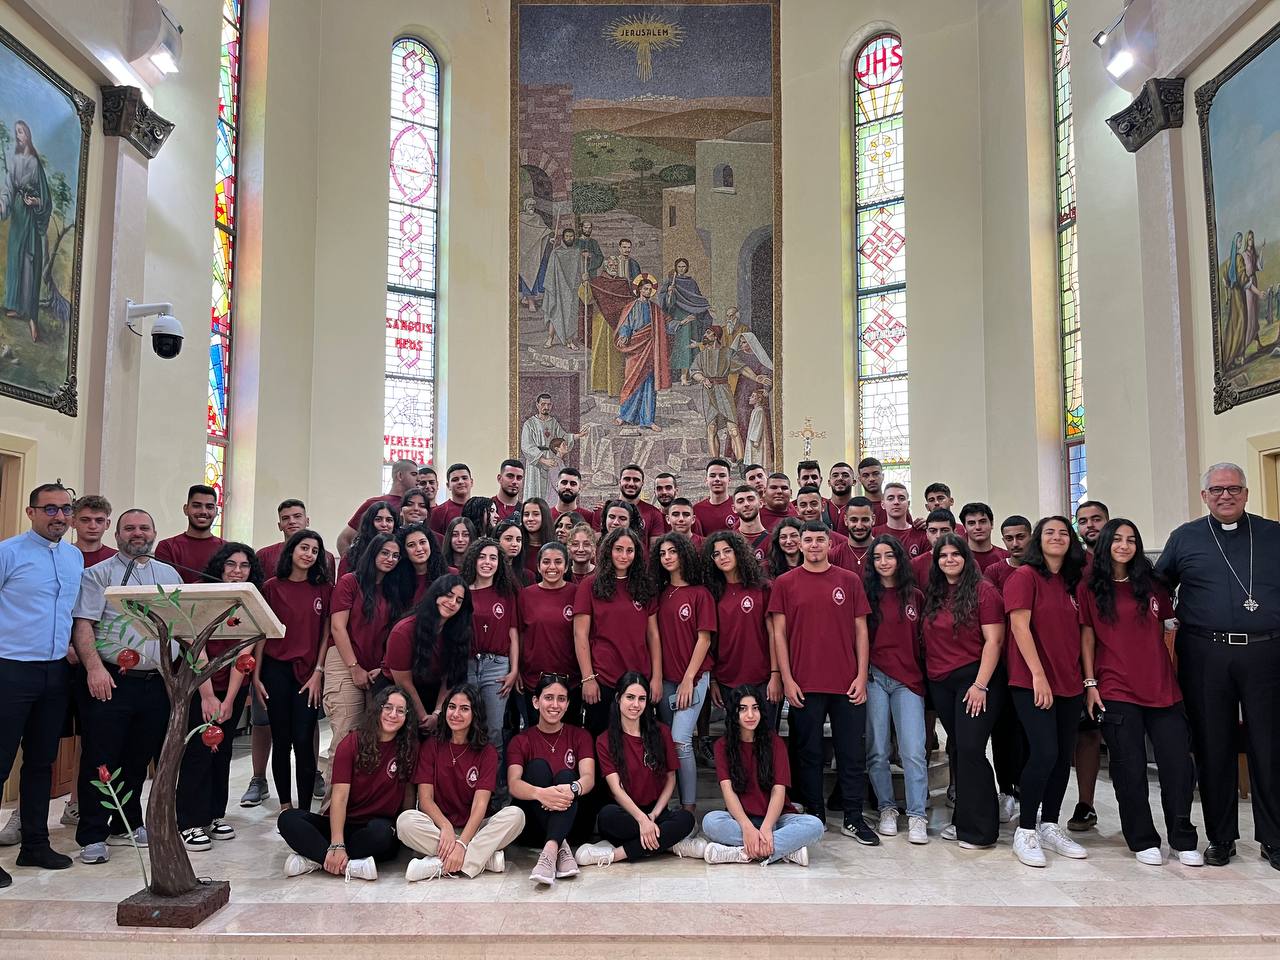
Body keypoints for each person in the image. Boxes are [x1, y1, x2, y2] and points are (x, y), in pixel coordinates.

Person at [1156, 463, 1280, 870]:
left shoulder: (1273, 534)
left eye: (1233, 489)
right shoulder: (1185, 537)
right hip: (1205, 653)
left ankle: (1274, 838)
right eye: (1216, 490)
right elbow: (1158, 588)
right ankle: (1221, 836)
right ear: (1205, 496)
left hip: (1266, 652)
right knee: (1213, 746)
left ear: (1246, 494)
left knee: (1270, 745)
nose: (1225, 496)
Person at [1080, 519, 1203, 867]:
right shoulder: (1090, 587)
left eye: (1131, 539)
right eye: (1117, 539)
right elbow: (1087, 637)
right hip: (1116, 688)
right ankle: (1143, 838)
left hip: (1162, 688)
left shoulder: (1153, 585)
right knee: (1128, 768)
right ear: (1105, 544)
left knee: (1178, 766)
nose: (1124, 545)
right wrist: (1090, 683)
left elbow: (1168, 631)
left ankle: (1181, 838)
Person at [71, 508, 182, 864]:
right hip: (111, 679)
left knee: (138, 757)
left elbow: (178, 623)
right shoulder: (97, 574)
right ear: (116, 534)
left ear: (154, 532)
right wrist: (93, 669)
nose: (137, 533)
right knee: (101, 757)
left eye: (144, 528)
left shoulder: (168, 573)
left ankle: (125, 821)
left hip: (155, 681)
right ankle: (91, 833)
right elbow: (84, 625)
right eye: (129, 528)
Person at [770, 521, 878, 844]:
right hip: (804, 682)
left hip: (847, 683)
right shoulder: (785, 583)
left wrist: (861, 675)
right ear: (799, 545)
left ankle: (853, 817)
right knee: (809, 752)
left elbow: (861, 630)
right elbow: (779, 634)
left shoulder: (849, 580)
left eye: (820, 539)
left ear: (830, 544)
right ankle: (815, 813)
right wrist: (787, 679)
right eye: (808, 540)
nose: (814, 545)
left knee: (851, 753)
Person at [0, 484, 82, 885]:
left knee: (40, 762)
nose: (60, 517)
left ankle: (34, 844)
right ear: (31, 512)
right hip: (10, 668)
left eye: (66, 509)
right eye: (50, 509)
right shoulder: (8, 552)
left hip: (54, 672)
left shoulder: (73, 556)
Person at [1005, 516, 1089, 867]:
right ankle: (1025, 831)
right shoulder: (1025, 577)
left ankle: (1050, 825)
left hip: (1069, 680)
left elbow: (1084, 632)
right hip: (1032, 680)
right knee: (1043, 752)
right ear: (1038, 540)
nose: (1057, 537)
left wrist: (1087, 680)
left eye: (1063, 533)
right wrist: (1038, 675)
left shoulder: (1074, 582)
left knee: (1061, 757)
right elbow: (1019, 627)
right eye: (1050, 532)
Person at [920, 534, 1006, 849]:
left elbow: (994, 641)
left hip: (975, 680)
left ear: (966, 558)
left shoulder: (984, 591)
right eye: (943, 556)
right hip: (941, 681)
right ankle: (963, 821)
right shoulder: (936, 592)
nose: (950, 560)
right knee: (958, 748)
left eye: (956, 554)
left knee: (971, 749)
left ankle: (982, 831)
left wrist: (981, 685)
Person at [176, 543, 264, 850]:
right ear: (219, 566)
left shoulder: (251, 598)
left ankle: (213, 814)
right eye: (231, 564)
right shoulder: (200, 593)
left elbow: (245, 652)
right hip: (198, 684)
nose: (237, 570)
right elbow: (194, 645)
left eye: (244, 565)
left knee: (221, 749)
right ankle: (188, 821)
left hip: (231, 686)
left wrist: (228, 701)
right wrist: (209, 696)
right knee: (198, 751)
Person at [279, 686, 414, 880]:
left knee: (383, 836)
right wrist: (337, 843)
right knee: (288, 819)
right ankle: (346, 864)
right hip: (342, 824)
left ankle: (316, 860)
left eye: (400, 711)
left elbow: (408, 796)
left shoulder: (409, 747)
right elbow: (339, 797)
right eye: (388, 707)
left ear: (407, 716)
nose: (393, 714)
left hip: (375, 827)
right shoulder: (351, 742)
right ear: (378, 709)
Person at [398, 683, 525, 880]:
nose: (456, 714)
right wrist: (446, 827)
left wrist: (463, 843)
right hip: (439, 829)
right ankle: (481, 859)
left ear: (475, 714)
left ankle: (441, 863)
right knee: (405, 822)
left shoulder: (487, 752)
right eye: (452, 707)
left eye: (464, 709)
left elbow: (480, 804)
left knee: (516, 816)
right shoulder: (431, 746)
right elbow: (425, 799)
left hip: (475, 829)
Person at [576, 673, 700, 866]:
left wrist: (653, 816)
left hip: (656, 812)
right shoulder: (604, 739)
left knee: (686, 819)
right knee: (607, 818)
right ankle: (667, 844)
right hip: (627, 812)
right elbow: (616, 790)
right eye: (630, 697)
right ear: (618, 699)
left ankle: (616, 855)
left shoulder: (661, 732)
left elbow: (671, 779)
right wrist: (642, 819)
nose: (636, 704)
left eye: (641, 699)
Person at [253, 530, 333, 813]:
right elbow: (262, 634)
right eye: (304, 548)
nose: (309, 554)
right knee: (282, 739)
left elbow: (326, 632)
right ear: (291, 551)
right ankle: (286, 807)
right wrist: (256, 676)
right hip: (276, 671)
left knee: (304, 739)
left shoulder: (323, 589)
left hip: (308, 673)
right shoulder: (272, 587)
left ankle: (304, 810)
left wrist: (318, 672)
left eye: (314, 550)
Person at [703, 685, 824, 865]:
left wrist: (766, 827)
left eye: (755, 708)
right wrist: (746, 827)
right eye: (743, 709)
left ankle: (741, 853)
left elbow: (778, 791)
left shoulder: (775, 742)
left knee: (815, 826)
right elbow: (728, 792)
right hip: (741, 818)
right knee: (710, 822)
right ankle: (783, 851)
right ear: (733, 714)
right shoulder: (722, 746)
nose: (750, 715)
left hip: (776, 817)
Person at [322, 533, 401, 808]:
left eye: (395, 555)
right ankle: (330, 812)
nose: (390, 559)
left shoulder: (392, 589)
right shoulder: (350, 582)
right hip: (345, 662)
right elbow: (337, 627)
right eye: (385, 553)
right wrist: (354, 667)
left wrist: (382, 668)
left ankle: (360, 809)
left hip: (377, 669)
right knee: (346, 738)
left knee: (374, 739)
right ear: (372, 553)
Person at [864, 535, 929, 844]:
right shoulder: (866, 595)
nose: (884, 562)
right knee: (877, 749)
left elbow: (924, 641)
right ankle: (887, 808)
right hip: (875, 678)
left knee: (913, 750)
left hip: (908, 682)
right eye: (878, 558)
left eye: (889, 556)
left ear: (899, 559)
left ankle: (917, 814)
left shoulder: (914, 596)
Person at [507, 675, 596, 885]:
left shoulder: (580, 736)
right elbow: (513, 784)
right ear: (536, 702)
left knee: (567, 776)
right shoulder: (521, 741)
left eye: (561, 699)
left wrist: (573, 789)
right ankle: (559, 847)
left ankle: (550, 851)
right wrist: (541, 794)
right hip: (533, 827)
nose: (555, 705)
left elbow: (589, 778)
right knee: (537, 767)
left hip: (574, 824)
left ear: (567, 705)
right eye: (548, 698)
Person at [574, 527, 661, 736]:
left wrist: (657, 677)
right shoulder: (590, 586)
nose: (624, 555)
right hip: (603, 677)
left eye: (629, 550)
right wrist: (588, 678)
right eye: (618, 549)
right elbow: (580, 635)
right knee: (601, 739)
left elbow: (653, 635)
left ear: (637, 554)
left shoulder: (645, 586)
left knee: (638, 740)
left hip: (639, 679)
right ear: (608, 551)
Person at [650, 534, 714, 812]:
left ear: (684, 554)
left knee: (681, 741)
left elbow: (705, 640)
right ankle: (669, 804)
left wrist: (689, 679)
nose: (667, 557)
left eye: (672, 552)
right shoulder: (661, 595)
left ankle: (688, 808)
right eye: (662, 553)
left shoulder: (700, 593)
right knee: (669, 743)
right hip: (666, 680)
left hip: (695, 678)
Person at [460, 538, 520, 801]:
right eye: (482, 557)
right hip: (468, 664)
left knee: (494, 730)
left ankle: (496, 796)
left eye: (493, 558)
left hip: (498, 666)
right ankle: (466, 792)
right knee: (465, 728)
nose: (487, 562)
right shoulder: (461, 591)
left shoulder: (506, 593)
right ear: (474, 559)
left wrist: (514, 669)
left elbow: (513, 632)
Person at [705, 532, 779, 726]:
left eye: (727, 551)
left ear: (739, 552)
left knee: (766, 737)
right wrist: (713, 680)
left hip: (762, 677)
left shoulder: (763, 587)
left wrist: (775, 674)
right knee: (736, 739)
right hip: (727, 678)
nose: (722, 557)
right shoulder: (712, 592)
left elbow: (774, 634)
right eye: (716, 554)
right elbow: (710, 640)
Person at [1068, 499, 1110, 832]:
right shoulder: (1073, 563)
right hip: (1081, 657)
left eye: (1096, 519)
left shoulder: (1125, 557)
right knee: (1087, 731)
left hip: (1119, 659)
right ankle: (1085, 804)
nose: (1090, 526)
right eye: (1083, 521)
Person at [384, 575, 471, 730]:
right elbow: (404, 683)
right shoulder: (403, 631)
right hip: (396, 691)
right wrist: (424, 718)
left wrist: (437, 714)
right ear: (435, 595)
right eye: (449, 595)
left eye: (459, 601)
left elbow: (450, 678)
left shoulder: (457, 632)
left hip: (434, 691)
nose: (452, 603)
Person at [0, 120, 51, 341]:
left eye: (21, 131)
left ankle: (31, 316)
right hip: (18, 217)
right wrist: (2, 205)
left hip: (30, 217)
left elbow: (46, 200)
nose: (18, 135)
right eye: (16, 132)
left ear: (28, 134)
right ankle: (15, 306)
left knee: (30, 263)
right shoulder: (13, 161)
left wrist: (35, 202)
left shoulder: (36, 164)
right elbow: (7, 190)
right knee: (15, 258)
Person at [518, 542, 580, 721]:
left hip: (570, 681)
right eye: (546, 562)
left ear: (567, 566)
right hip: (534, 680)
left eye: (558, 562)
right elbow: (520, 634)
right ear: (538, 566)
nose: (552, 567)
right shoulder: (526, 595)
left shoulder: (577, 593)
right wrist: (518, 670)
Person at [690, 325, 771, 459]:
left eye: (708, 333)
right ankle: (715, 462)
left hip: (723, 390)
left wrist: (756, 377)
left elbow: (742, 368)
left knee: (733, 429)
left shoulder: (728, 353)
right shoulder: (701, 355)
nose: (705, 335)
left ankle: (740, 462)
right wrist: (703, 379)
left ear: (716, 336)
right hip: (708, 391)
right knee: (711, 428)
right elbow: (694, 372)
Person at [615, 273, 672, 430]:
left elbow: (666, 325)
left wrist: (680, 323)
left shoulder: (655, 309)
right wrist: (624, 336)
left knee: (648, 385)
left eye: (650, 289)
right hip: (635, 349)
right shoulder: (631, 307)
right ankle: (624, 415)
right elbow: (625, 325)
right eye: (645, 289)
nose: (648, 292)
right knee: (631, 382)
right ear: (639, 290)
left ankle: (648, 420)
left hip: (651, 350)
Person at [337, 459, 419, 555]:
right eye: (414, 474)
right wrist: (351, 564)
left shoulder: (417, 507)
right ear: (400, 476)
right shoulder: (374, 503)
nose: (418, 479)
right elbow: (343, 539)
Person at [154, 484, 224, 583]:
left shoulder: (225, 547)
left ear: (216, 511)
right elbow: (167, 588)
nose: (203, 511)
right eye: (196, 506)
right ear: (186, 509)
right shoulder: (167, 547)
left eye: (209, 507)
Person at [659, 258, 711, 385]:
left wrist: (700, 309)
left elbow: (696, 297)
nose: (681, 269)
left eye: (683, 266)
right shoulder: (671, 282)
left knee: (693, 345)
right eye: (679, 266)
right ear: (675, 268)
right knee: (683, 347)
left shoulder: (691, 282)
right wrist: (669, 293)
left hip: (692, 316)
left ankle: (694, 374)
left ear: (686, 267)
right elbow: (667, 305)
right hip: (679, 317)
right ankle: (683, 377)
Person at [258, 499, 332, 582]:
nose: (292, 521)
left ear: (307, 521)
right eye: (286, 518)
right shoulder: (264, 555)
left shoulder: (327, 557)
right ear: (279, 526)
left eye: (297, 516)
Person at [542, 227, 584, 350]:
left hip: (572, 289)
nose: (569, 238)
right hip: (558, 288)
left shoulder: (577, 251)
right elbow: (550, 271)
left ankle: (570, 340)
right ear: (563, 238)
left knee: (571, 315)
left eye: (571, 236)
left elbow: (580, 269)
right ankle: (550, 338)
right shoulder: (556, 252)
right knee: (555, 312)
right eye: (567, 236)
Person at [339, 501, 398, 579]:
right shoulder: (352, 555)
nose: (384, 524)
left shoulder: (398, 556)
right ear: (369, 523)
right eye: (378, 519)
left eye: (389, 520)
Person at [392, 523, 448, 606]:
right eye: (411, 545)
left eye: (422, 542)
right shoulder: (398, 579)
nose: (419, 549)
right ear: (404, 551)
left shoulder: (450, 573)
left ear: (430, 544)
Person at [872, 482, 929, 558]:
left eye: (901, 498)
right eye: (891, 498)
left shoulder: (922, 534)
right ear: (883, 504)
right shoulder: (873, 534)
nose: (896, 502)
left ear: (908, 504)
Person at [617, 464, 666, 538]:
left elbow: (655, 547)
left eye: (636, 480)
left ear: (642, 483)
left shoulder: (654, 513)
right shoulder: (604, 511)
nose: (631, 483)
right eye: (627, 479)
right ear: (619, 481)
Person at [427, 464, 475, 538]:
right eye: (455, 479)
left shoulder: (481, 509)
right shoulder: (438, 512)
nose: (460, 482)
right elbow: (435, 542)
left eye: (464, 478)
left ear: (471, 482)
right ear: (448, 485)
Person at [693, 458, 737, 534]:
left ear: (729, 480)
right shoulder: (696, 510)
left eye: (722, 476)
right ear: (706, 480)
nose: (717, 479)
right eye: (712, 476)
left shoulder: (738, 506)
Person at [962, 502, 1008, 572]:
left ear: (992, 524)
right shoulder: (958, 557)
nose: (978, 527)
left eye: (983, 521)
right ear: (965, 527)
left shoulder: (1006, 557)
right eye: (971, 523)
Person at [71, 495, 116, 567]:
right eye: (85, 520)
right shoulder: (62, 555)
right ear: (73, 522)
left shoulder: (115, 559)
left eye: (99, 520)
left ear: (107, 524)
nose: (93, 526)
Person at [731, 484, 770, 563]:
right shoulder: (729, 541)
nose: (746, 504)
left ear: (760, 503)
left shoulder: (772, 541)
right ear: (734, 508)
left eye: (751, 499)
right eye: (740, 501)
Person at [842, 497, 877, 577]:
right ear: (845, 520)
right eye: (854, 520)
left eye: (865, 520)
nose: (859, 526)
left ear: (873, 520)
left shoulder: (884, 553)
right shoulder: (834, 556)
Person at [520, 498, 554, 581]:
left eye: (536, 514)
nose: (530, 518)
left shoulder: (555, 547)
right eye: (526, 514)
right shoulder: (517, 546)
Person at [495, 517, 530, 589]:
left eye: (518, 540)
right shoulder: (489, 572)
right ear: (497, 540)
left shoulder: (528, 576)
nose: (515, 544)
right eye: (508, 539)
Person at [857, 457, 889, 525]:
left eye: (875, 474)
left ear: (883, 476)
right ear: (860, 480)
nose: (871, 479)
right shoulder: (855, 508)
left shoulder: (895, 505)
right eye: (866, 476)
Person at [824, 463, 856, 529]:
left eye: (845, 475)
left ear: (854, 482)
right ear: (829, 482)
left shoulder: (859, 508)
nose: (840, 478)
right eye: (835, 476)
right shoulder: (822, 507)